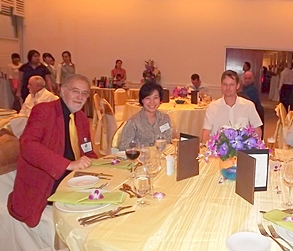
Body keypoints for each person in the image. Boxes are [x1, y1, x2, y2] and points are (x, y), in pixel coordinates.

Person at [8, 74, 97, 228]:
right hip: (46, 183)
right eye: (75, 91)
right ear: (62, 91)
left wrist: (99, 162)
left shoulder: (81, 118)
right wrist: (67, 165)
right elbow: (28, 144)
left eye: (85, 93)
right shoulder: (44, 111)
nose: (80, 97)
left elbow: (87, 149)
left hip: (73, 180)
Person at [202, 70, 263, 142]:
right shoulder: (212, 107)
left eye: (231, 85)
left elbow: (257, 131)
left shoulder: (248, 106)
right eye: (225, 84)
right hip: (218, 150)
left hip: (241, 150)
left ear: (237, 86)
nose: (228, 88)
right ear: (221, 86)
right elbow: (206, 133)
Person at [119, 82, 172, 150]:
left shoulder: (165, 119)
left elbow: (167, 143)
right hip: (141, 159)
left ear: (160, 100)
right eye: (148, 98)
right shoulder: (133, 122)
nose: (152, 102)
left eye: (155, 98)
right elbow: (123, 148)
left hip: (160, 158)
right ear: (142, 100)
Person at [238, 71, 264, 136]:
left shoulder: (252, 89)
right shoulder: (244, 87)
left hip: (257, 113)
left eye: (249, 78)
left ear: (253, 79)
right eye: (246, 78)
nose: (247, 80)